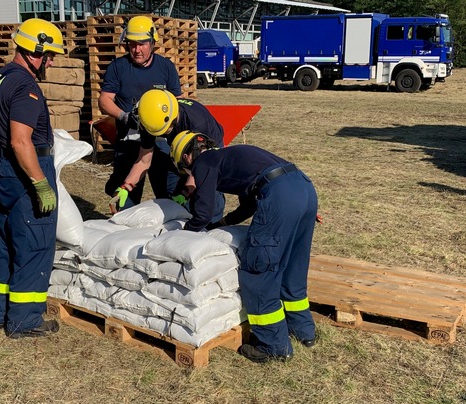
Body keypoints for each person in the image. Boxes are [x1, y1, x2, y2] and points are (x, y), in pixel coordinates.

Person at [170, 131, 319, 363]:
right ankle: (304, 330)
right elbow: (248, 204)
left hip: (279, 195)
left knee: (259, 268)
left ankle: (274, 345)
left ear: (187, 157)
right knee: (293, 265)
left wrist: (184, 234)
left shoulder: (204, 162)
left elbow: (203, 210)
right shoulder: (230, 156)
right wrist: (223, 223)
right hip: (303, 188)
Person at [0, 18, 64, 338]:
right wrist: (40, 183)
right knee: (34, 245)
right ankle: (24, 321)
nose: (52, 61)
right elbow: (20, 140)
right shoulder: (26, 86)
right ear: (35, 51)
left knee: (7, 243)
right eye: (50, 55)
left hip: (0, 169)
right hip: (25, 172)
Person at [98, 15, 182, 210]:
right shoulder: (118, 67)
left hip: (161, 145)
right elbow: (104, 100)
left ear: (153, 42)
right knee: (126, 199)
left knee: (170, 198)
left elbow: (176, 103)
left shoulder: (166, 67)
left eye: (142, 44)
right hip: (129, 144)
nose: (136, 50)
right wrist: (123, 116)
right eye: (132, 44)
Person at [110, 89, 226, 218]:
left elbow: (200, 168)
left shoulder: (196, 123)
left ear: (173, 118)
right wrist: (124, 188)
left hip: (208, 148)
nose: (161, 135)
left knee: (207, 190)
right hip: (181, 146)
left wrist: (185, 192)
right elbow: (143, 161)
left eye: (163, 131)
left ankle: (212, 224)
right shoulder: (151, 120)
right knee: (174, 192)